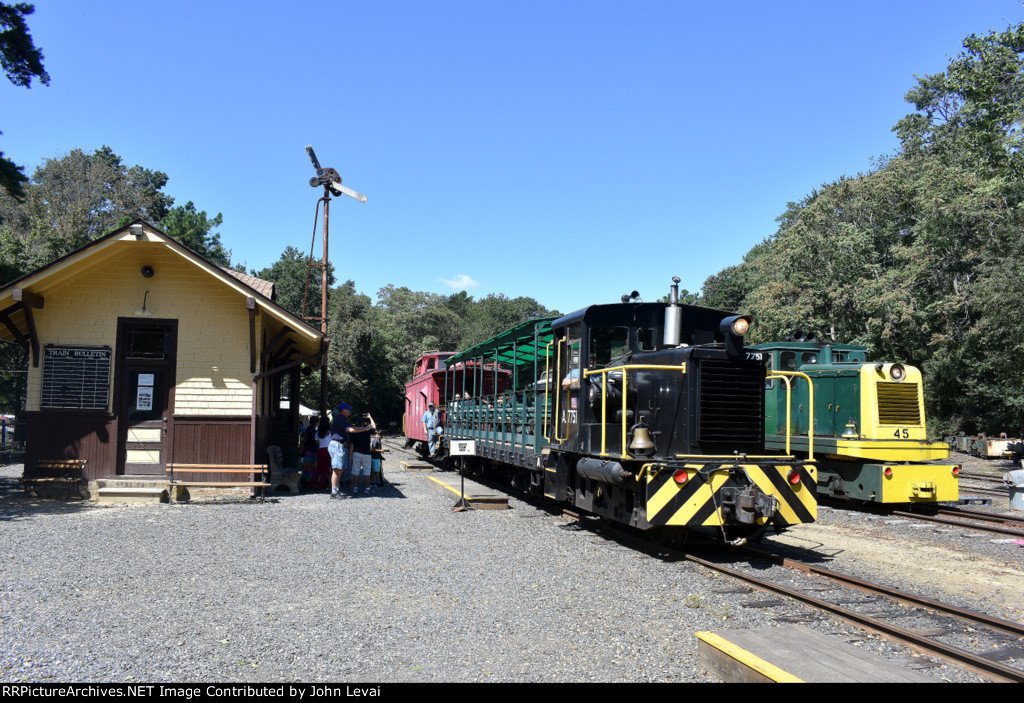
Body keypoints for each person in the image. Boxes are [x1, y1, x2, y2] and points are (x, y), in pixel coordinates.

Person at [329, 401, 375, 498]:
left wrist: (362, 429)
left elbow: (351, 428)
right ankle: (334, 492)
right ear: (342, 410)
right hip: (338, 445)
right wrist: (365, 429)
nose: (350, 411)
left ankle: (336, 489)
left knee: (340, 469)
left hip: (340, 446)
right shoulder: (341, 418)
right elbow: (351, 430)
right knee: (337, 469)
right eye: (348, 409)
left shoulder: (342, 419)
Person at [350, 413, 376, 493]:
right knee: (366, 471)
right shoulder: (367, 430)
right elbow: (374, 427)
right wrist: (370, 417)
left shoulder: (353, 431)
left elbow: (351, 445)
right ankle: (367, 488)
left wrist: (350, 455)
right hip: (366, 453)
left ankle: (355, 488)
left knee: (356, 471)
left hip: (356, 453)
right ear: (362, 423)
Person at [312, 415, 332, 491]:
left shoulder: (317, 433)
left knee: (318, 469)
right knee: (325, 470)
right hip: (327, 450)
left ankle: (312, 484)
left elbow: (317, 442)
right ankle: (322, 486)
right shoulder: (329, 432)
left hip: (320, 450)